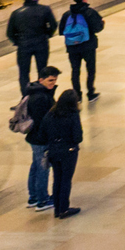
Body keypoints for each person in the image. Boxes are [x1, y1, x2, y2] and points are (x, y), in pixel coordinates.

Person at [40, 88, 84, 218]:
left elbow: (42, 134)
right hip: (68, 151)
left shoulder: (50, 113)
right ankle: (64, 209)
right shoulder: (73, 114)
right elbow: (78, 137)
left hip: (53, 150)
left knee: (57, 179)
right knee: (66, 180)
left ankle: (57, 209)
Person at [19, 65, 59, 209]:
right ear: (41, 79)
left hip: (34, 137)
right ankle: (42, 200)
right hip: (41, 138)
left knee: (36, 166)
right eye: (50, 80)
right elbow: (44, 120)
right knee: (43, 168)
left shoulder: (35, 91)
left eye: (54, 81)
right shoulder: (41, 97)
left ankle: (33, 197)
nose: (52, 83)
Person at [7, 0, 56, 94]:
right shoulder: (45, 9)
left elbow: (10, 33)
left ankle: (25, 98)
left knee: (24, 73)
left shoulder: (17, 13)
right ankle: (43, 95)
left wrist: (18, 41)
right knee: (42, 71)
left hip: (24, 45)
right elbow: (53, 25)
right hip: (41, 44)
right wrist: (47, 35)